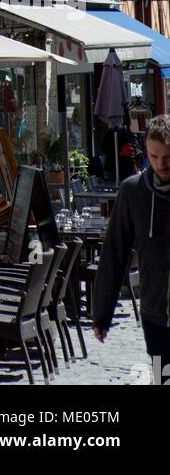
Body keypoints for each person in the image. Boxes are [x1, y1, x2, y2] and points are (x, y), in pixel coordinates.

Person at [93, 114, 170, 382]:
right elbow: (115, 252)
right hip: (157, 317)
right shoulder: (134, 192)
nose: (162, 164)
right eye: (154, 156)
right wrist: (102, 314)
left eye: (168, 157)